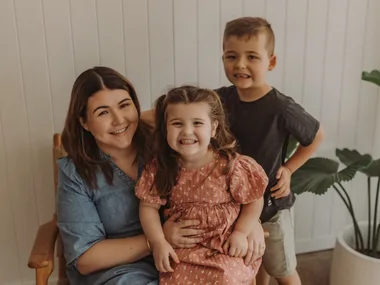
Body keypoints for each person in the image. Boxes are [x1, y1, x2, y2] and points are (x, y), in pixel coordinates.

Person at [57, 67, 204, 285]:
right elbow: (85, 258)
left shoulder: (166, 144)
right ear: (84, 122)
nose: (119, 120)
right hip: (118, 273)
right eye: (103, 112)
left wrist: (251, 220)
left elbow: (209, 114)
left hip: (183, 258)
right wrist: (156, 239)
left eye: (125, 105)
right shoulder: (75, 172)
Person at [216, 17, 325, 285]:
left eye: (252, 56)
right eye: (232, 56)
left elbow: (316, 135)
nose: (240, 64)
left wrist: (288, 168)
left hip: (271, 207)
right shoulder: (220, 99)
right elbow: (180, 107)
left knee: (282, 270)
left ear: (271, 62)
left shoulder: (281, 108)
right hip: (237, 208)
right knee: (250, 266)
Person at [135, 86, 269, 284]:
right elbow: (148, 207)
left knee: (226, 279)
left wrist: (242, 232)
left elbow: (254, 200)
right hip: (184, 248)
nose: (187, 131)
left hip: (226, 246)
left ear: (213, 128)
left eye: (197, 123)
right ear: (166, 128)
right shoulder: (162, 168)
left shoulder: (230, 166)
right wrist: (158, 242)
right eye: (177, 123)